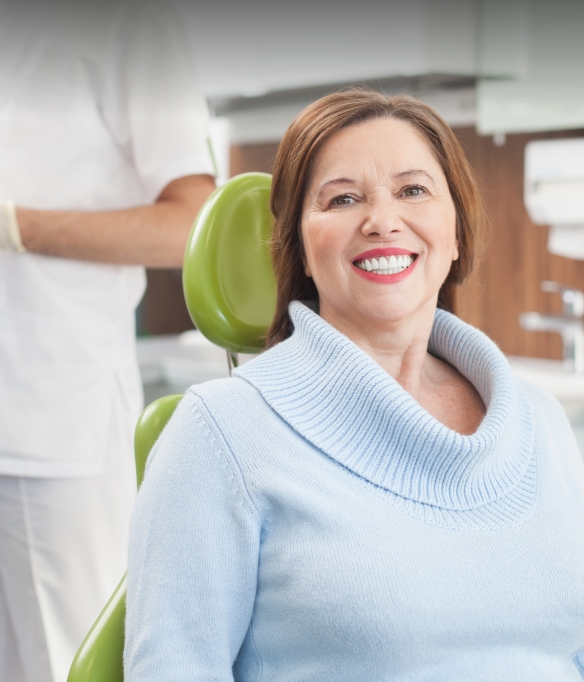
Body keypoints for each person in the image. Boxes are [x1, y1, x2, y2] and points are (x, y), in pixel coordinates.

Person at [125, 90, 584, 681]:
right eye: (342, 199)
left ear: (457, 232)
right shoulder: (221, 434)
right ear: (302, 252)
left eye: (414, 190)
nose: (382, 220)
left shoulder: (542, 423)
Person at [0, 1, 215, 681]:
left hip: (52, 421)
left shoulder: (129, 21)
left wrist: (9, 226)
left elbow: (190, 226)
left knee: (73, 663)